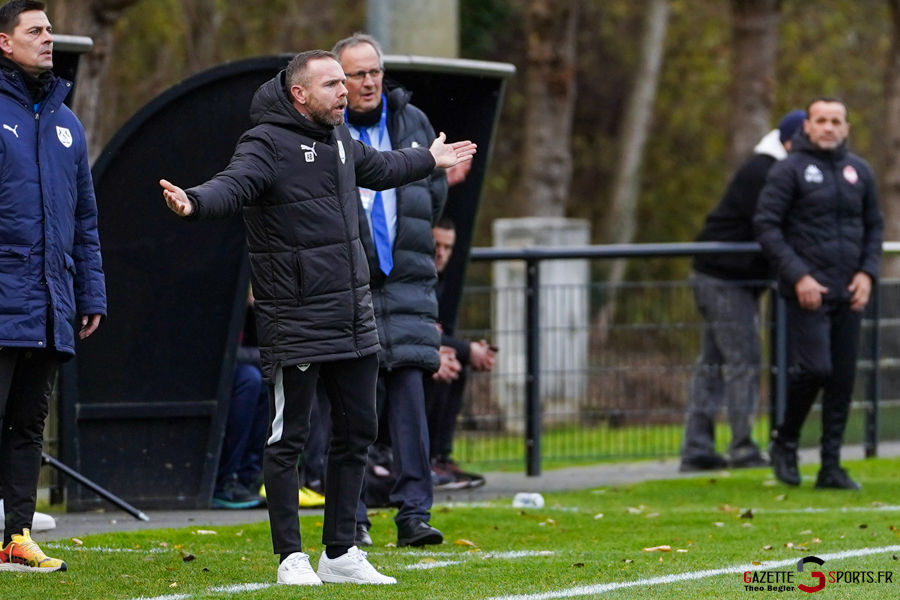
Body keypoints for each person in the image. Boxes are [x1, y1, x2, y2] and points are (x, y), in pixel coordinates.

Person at [160, 49, 474, 586]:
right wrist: (193, 200)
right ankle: (290, 557)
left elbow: (382, 168)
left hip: (353, 316)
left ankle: (340, 552)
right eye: (332, 84)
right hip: (298, 319)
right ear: (300, 94)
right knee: (290, 439)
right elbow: (231, 185)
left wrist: (429, 159)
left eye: (343, 83)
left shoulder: (340, 141)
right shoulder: (264, 143)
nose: (344, 92)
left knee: (358, 433)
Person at [0, 0, 106, 573]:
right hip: (2, 298)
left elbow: (84, 220)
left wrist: (90, 294)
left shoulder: (67, 122)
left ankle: (15, 538)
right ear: (3, 41)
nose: (48, 38)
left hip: (48, 304)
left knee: (24, 429)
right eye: (36, 30)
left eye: (50, 30)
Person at [332, 33, 448, 549]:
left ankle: (414, 516)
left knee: (409, 406)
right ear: (337, 81)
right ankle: (352, 521)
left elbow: (433, 197)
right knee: (350, 413)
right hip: (349, 286)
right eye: (356, 73)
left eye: (374, 70)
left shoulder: (413, 123)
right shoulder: (323, 131)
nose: (369, 81)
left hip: (405, 284)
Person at [754, 97, 883, 490]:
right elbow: (766, 226)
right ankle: (785, 440)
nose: (828, 127)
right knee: (816, 369)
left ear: (846, 127)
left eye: (836, 120)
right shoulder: (787, 170)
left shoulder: (859, 171)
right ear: (807, 127)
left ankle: (831, 466)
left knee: (842, 380)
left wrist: (867, 274)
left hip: (850, 292)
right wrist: (798, 277)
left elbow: (875, 227)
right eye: (821, 120)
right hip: (808, 292)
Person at [679, 110, 805, 472]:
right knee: (743, 359)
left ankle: (697, 448)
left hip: (726, 276)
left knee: (714, 363)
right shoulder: (767, 171)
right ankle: (742, 447)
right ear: (791, 140)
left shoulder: (769, 168)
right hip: (723, 278)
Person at [426, 216, 494, 488]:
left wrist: (464, 350)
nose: (441, 253)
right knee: (438, 366)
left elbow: (440, 333)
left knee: (454, 365)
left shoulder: (443, 282)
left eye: (448, 248)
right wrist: (467, 349)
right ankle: (424, 458)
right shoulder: (412, 277)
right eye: (436, 245)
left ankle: (441, 455)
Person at [212, 291, 267, 509]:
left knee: (266, 381)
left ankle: (248, 477)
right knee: (250, 380)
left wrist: (258, 309)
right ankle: (225, 479)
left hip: (246, 365)